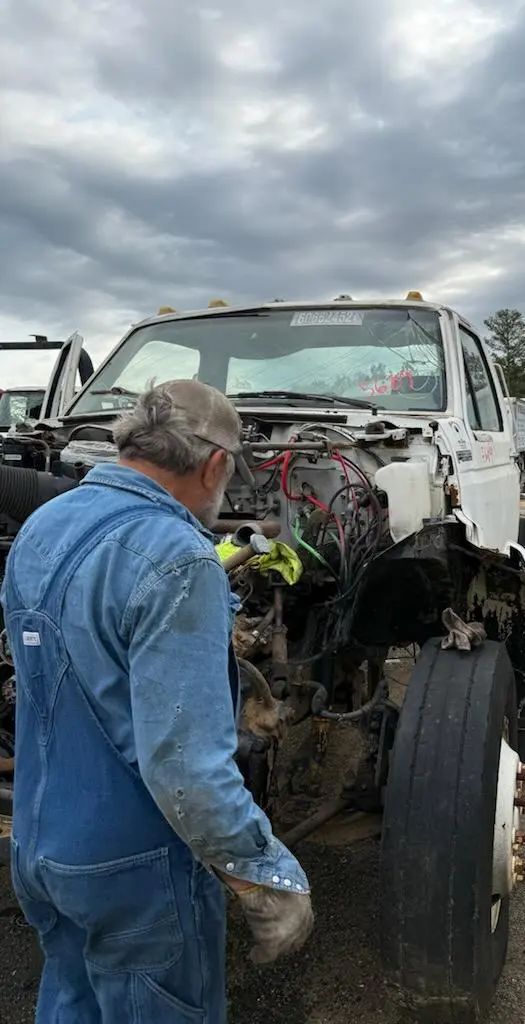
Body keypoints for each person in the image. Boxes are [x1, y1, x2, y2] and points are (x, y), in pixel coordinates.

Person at [2, 379, 313, 1023]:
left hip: (39, 846)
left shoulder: (42, 526)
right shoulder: (179, 559)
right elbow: (186, 768)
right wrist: (262, 876)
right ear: (215, 464)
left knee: (72, 998)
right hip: (134, 868)